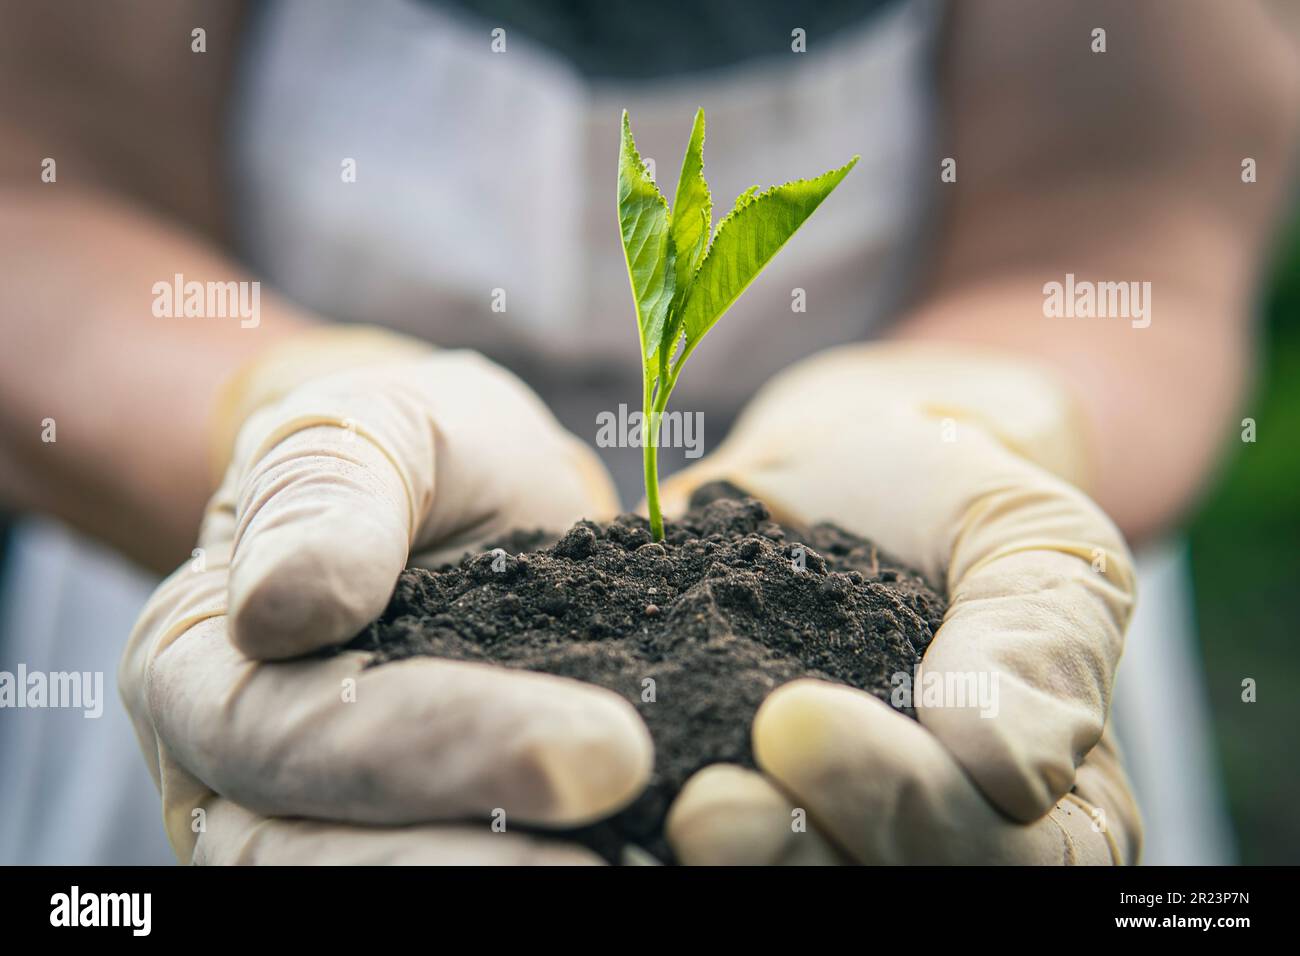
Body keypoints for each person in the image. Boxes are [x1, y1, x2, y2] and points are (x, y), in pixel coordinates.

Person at [0, 0, 1295, 864]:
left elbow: (1127, 221)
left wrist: (964, 431)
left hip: (939, 542)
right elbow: (38, 185)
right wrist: (293, 418)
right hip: (246, 510)